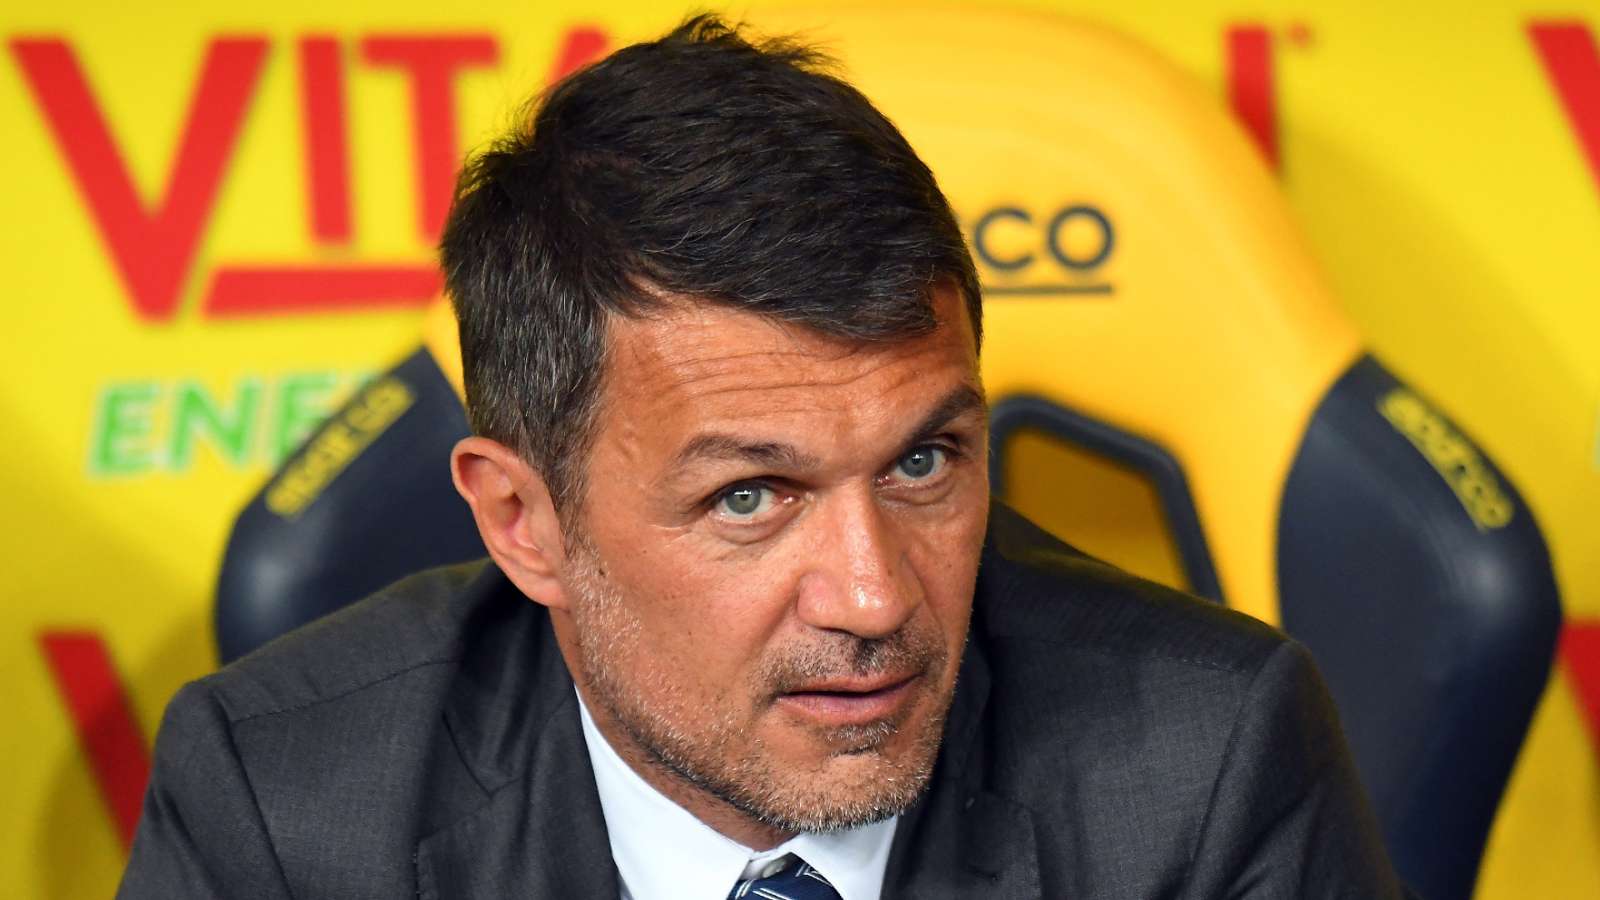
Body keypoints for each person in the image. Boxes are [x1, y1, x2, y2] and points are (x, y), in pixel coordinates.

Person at [119, 15, 1409, 899]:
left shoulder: (1202, 765)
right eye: (751, 496)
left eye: (923, 463)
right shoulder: (285, 805)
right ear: (523, 521)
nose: (877, 598)